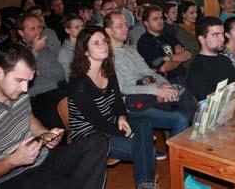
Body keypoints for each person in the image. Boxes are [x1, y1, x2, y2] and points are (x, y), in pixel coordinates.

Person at [0, 44, 109, 189]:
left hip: (43, 156)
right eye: (19, 80)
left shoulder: (18, 92)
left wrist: (44, 134)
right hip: (13, 176)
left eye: (28, 81)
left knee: (98, 142)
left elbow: (29, 118)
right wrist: (12, 161)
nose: (25, 88)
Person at [67, 27, 157, 189]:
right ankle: (146, 184)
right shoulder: (79, 83)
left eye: (104, 41)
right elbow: (97, 123)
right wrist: (129, 134)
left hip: (111, 123)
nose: (103, 46)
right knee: (148, 151)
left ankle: (145, 184)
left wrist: (122, 116)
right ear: (85, 51)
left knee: (145, 123)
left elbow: (117, 102)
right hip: (90, 137)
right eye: (96, 43)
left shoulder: (108, 70)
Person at [105, 12, 190, 137]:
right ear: (108, 31)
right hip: (131, 104)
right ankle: (178, 154)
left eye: (126, 25)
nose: (125, 28)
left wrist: (165, 85)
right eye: (120, 26)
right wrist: (156, 91)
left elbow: (149, 72)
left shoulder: (130, 50)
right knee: (180, 118)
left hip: (148, 94)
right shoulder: (107, 56)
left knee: (183, 96)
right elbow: (123, 88)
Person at [16, 13, 66, 129]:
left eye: (39, 27)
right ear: (21, 32)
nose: (38, 32)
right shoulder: (16, 52)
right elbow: (21, 76)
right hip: (37, 96)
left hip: (56, 89)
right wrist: (34, 51)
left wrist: (40, 71)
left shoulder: (44, 49)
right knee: (58, 123)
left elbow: (61, 74)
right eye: (32, 29)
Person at [137, 5, 191, 85]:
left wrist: (169, 58)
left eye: (161, 18)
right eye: (155, 19)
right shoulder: (145, 42)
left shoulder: (167, 35)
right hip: (166, 81)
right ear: (146, 23)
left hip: (183, 75)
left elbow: (188, 55)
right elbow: (163, 68)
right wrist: (179, 57)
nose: (160, 21)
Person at [58, 14, 84, 82]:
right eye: (77, 27)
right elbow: (69, 78)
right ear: (67, 30)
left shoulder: (85, 42)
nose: (81, 29)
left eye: (82, 26)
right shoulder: (64, 52)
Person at [175, 1, 199, 69]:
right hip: (190, 65)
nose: (195, 15)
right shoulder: (180, 31)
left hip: (198, 61)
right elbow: (198, 46)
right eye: (192, 13)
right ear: (183, 14)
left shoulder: (195, 27)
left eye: (196, 12)